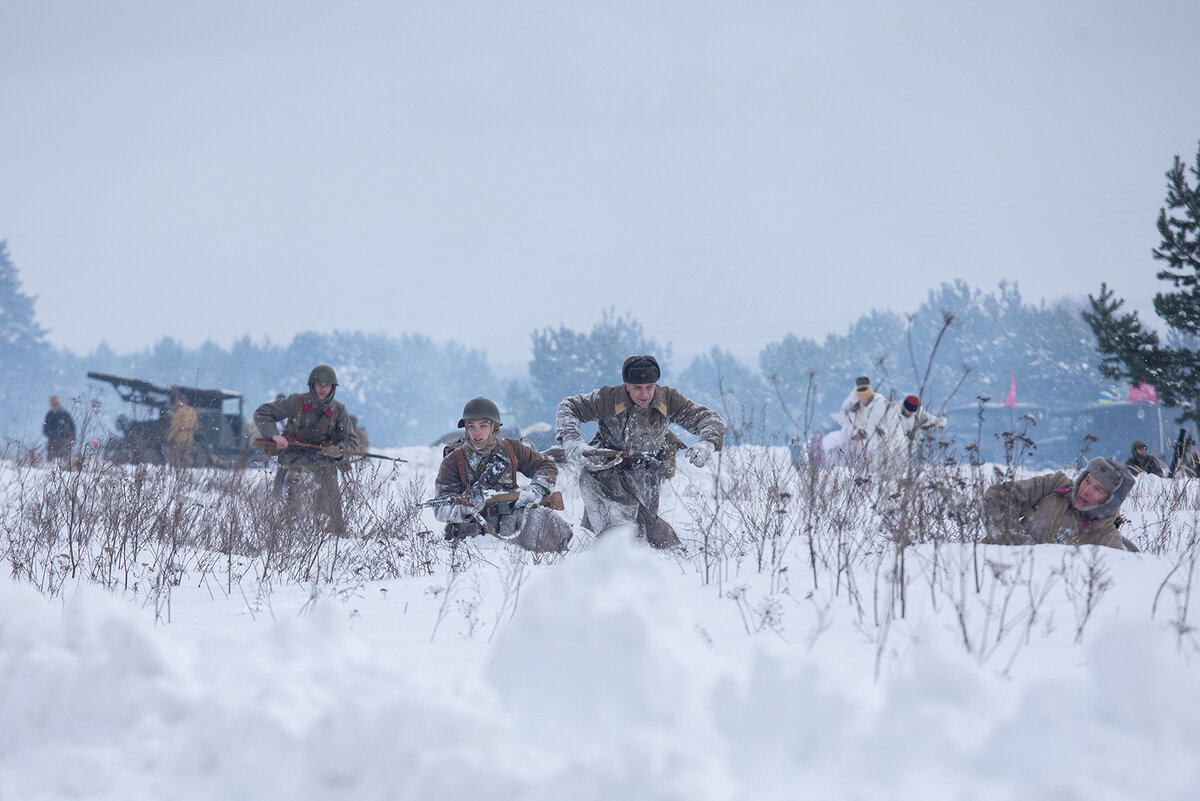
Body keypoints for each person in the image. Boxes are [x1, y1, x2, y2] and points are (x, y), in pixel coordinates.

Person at [555, 355, 726, 548]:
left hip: (646, 476)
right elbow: (568, 407)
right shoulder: (608, 398)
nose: (644, 394)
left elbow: (710, 419)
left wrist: (707, 443)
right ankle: (608, 554)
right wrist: (571, 439)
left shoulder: (669, 400)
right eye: (637, 387)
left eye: (650, 387)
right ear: (626, 385)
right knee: (616, 532)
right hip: (604, 475)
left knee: (646, 531)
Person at [432, 397, 572, 553]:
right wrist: (465, 507)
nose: (476, 432)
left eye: (483, 426)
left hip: (511, 522)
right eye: (471, 426)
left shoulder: (511, 449)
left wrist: (537, 488)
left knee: (548, 523)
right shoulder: (453, 461)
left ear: (494, 427)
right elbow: (440, 509)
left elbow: (545, 465)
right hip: (472, 534)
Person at [253, 365, 361, 532]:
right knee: (296, 480)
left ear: (333, 387)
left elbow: (352, 443)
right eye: (319, 384)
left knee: (330, 492)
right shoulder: (296, 402)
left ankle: (333, 534)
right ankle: (285, 528)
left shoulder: (339, 411)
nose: (323, 388)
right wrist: (274, 436)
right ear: (312, 386)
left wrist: (338, 449)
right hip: (293, 456)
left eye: (327, 385)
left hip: (325, 460)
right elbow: (262, 413)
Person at [982, 456, 1133, 550]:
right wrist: (1020, 546)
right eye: (1087, 481)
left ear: (1109, 502)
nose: (1086, 490)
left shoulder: (1108, 543)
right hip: (988, 575)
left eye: (1098, 489)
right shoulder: (1055, 486)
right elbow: (996, 496)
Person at [846, 376, 892, 469]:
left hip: (889, 443)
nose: (861, 401)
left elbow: (890, 419)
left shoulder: (879, 402)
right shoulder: (860, 407)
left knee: (891, 466)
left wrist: (883, 430)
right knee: (876, 468)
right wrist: (853, 413)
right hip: (874, 445)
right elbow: (861, 424)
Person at [164, 393, 199, 468]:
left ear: (180, 401)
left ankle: (178, 473)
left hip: (180, 438)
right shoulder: (192, 410)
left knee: (176, 456)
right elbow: (196, 426)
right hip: (189, 438)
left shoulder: (179, 411)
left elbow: (175, 426)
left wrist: (169, 438)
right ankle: (188, 469)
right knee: (186, 455)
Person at [43, 395, 76, 463]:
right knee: (63, 462)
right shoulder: (65, 413)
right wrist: (71, 439)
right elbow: (72, 427)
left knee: (51, 463)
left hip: (53, 442)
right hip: (65, 441)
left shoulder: (51, 413)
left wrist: (51, 435)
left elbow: (45, 429)